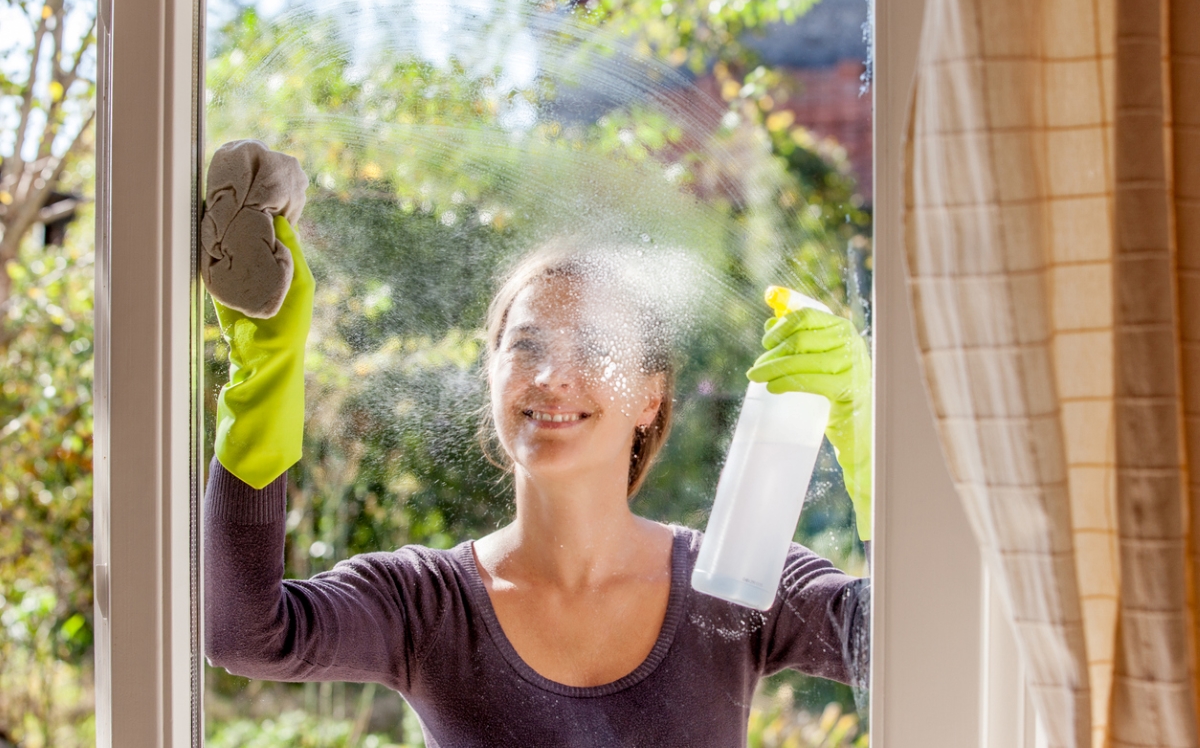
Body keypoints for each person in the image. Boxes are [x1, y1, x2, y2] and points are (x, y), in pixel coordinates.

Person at [205, 215, 872, 748]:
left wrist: (866, 432)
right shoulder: (426, 604)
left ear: (650, 396)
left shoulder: (734, 580)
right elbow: (247, 633)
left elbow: (901, 641)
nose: (552, 375)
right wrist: (266, 367)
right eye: (526, 346)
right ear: (490, 375)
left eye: (593, 348)